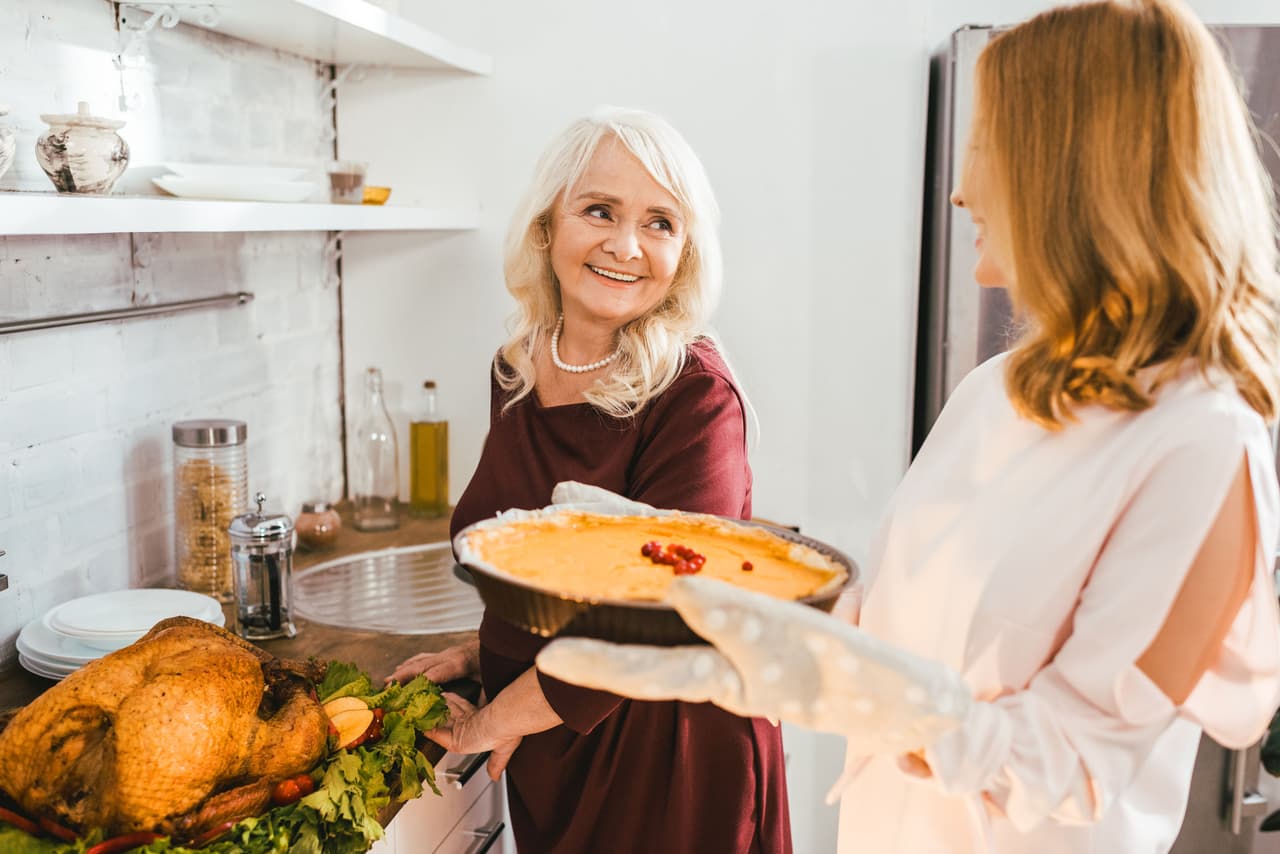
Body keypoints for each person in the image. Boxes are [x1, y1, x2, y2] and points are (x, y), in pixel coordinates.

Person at [536, 2, 1280, 852]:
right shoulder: (997, 392)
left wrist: (885, 702)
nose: (962, 187)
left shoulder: (1202, 444)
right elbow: (888, 621)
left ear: (1076, 172)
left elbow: (1079, 762)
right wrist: (708, 580)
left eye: (989, 147)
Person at [386, 107, 792, 853]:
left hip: (668, 761)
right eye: (599, 210)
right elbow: (539, 561)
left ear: (686, 252)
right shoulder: (517, 369)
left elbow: (653, 622)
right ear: (547, 228)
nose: (625, 245)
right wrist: (486, 655)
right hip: (555, 745)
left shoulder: (694, 397)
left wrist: (487, 721)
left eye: (659, 223)